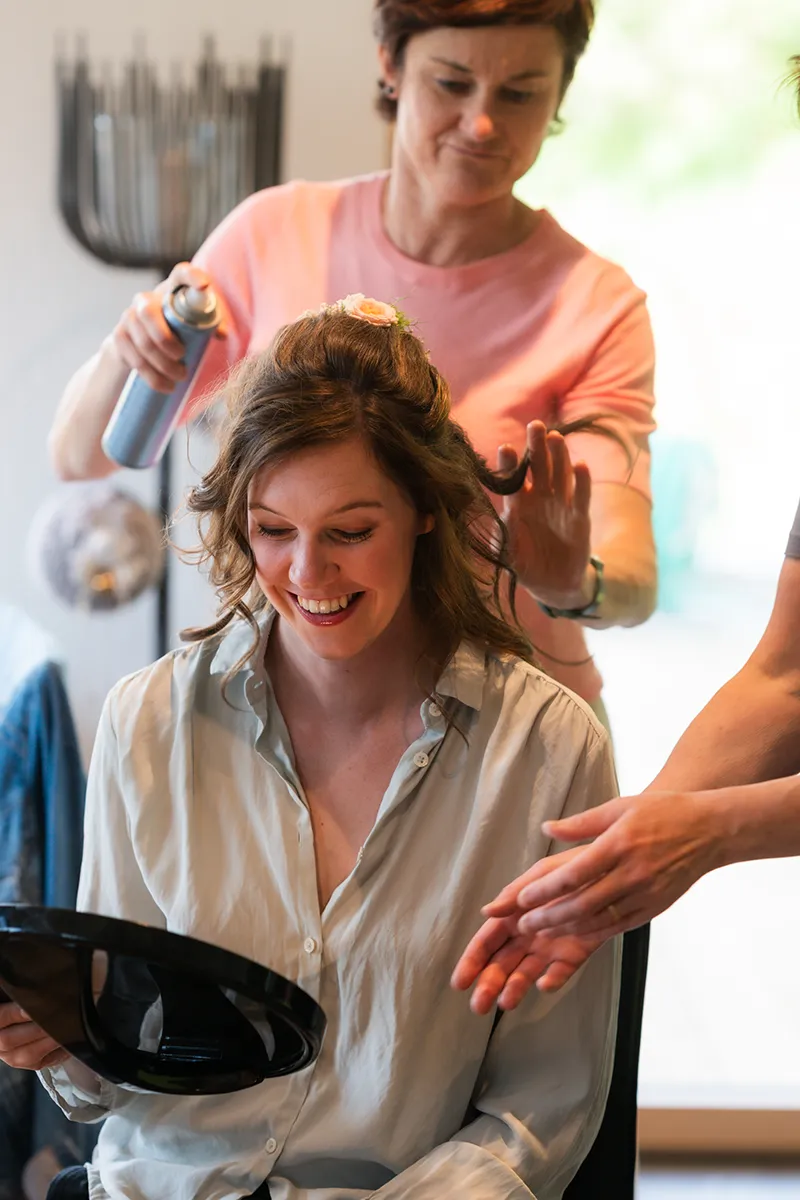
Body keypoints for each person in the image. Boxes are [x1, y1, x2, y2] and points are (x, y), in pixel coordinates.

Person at [2, 299, 621, 1200]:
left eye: (350, 531)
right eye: (272, 530)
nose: (306, 574)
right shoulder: (150, 722)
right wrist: (67, 1041)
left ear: (425, 510)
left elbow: (543, 1109)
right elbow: (119, 1062)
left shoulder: (548, 753)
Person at [48, 0, 658, 714]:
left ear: (560, 93)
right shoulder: (274, 234)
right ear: (391, 65)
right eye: (452, 84)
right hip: (298, 715)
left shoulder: (595, 306)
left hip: (510, 725)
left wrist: (574, 584)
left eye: (520, 93)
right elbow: (81, 456)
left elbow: (634, 573)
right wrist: (127, 352)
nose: (482, 123)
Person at [451, 55, 800, 1013]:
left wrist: (709, 830)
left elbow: (628, 576)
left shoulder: (595, 302)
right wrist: (639, 836)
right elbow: (787, 678)